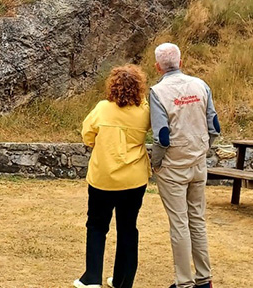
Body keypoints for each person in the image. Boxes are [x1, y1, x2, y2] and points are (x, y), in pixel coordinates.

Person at [149, 43, 221, 288]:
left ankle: (184, 282)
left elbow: (161, 136)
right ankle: (204, 279)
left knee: (179, 223)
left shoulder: (158, 92)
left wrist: (156, 163)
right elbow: (214, 126)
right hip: (197, 163)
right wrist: (203, 149)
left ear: (158, 66)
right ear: (181, 61)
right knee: (197, 220)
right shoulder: (201, 85)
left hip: (172, 167)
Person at [74, 65, 151, 288]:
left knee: (97, 226)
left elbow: (87, 135)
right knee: (128, 227)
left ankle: (92, 278)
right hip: (134, 179)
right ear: (139, 88)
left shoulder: (102, 108)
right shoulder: (143, 112)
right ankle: (122, 280)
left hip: (103, 177)